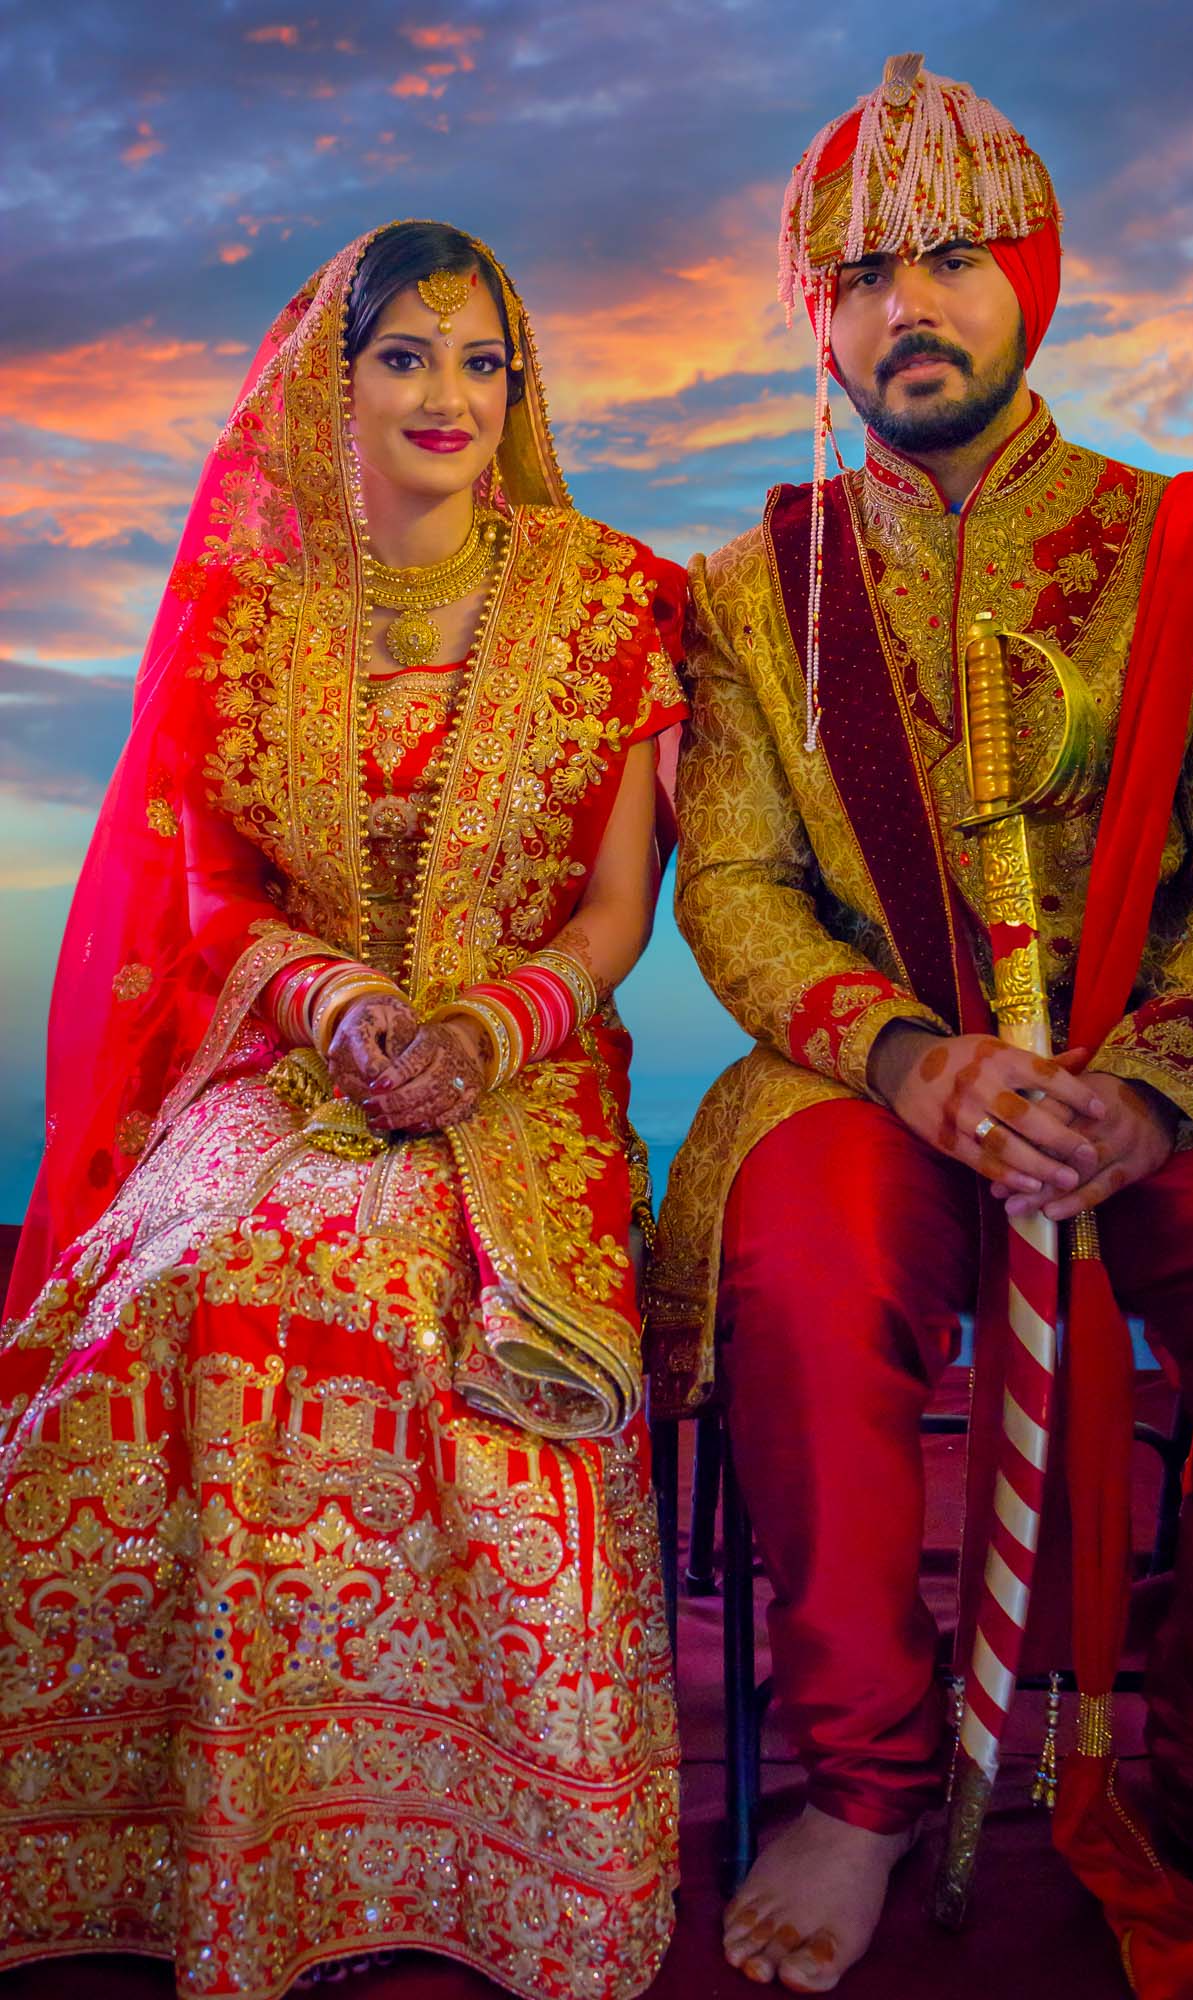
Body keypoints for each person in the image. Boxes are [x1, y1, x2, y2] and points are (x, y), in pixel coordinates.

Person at [649, 55, 1193, 1995]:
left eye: (947, 257)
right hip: (861, 1080)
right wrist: (909, 1059)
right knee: (798, 1251)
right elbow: (736, 890)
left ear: (1030, 278)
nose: (903, 305)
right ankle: (860, 1784)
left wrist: (1139, 1086)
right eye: (858, 273)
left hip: (1142, 1086)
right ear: (816, 315)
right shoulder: (751, 592)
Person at [0, 220, 687, 2000]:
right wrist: (340, 998)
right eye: (408, 356)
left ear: (519, 392)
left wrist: (485, 1025)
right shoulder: (255, 613)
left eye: (482, 361)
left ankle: (480, 1845)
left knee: (402, 1308)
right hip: (293, 1058)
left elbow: (617, 913)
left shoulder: (611, 598)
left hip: (519, 1080)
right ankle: (198, 1843)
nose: (448, 394)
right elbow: (209, 894)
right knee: (174, 1294)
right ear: (338, 380)